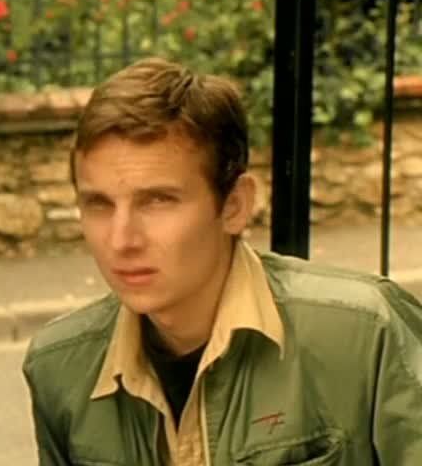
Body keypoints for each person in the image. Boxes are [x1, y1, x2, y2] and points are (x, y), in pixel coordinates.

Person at [23, 57, 422, 465]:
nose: (121, 240)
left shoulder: (364, 335)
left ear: (235, 205)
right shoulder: (60, 368)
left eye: (157, 200)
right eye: (99, 204)